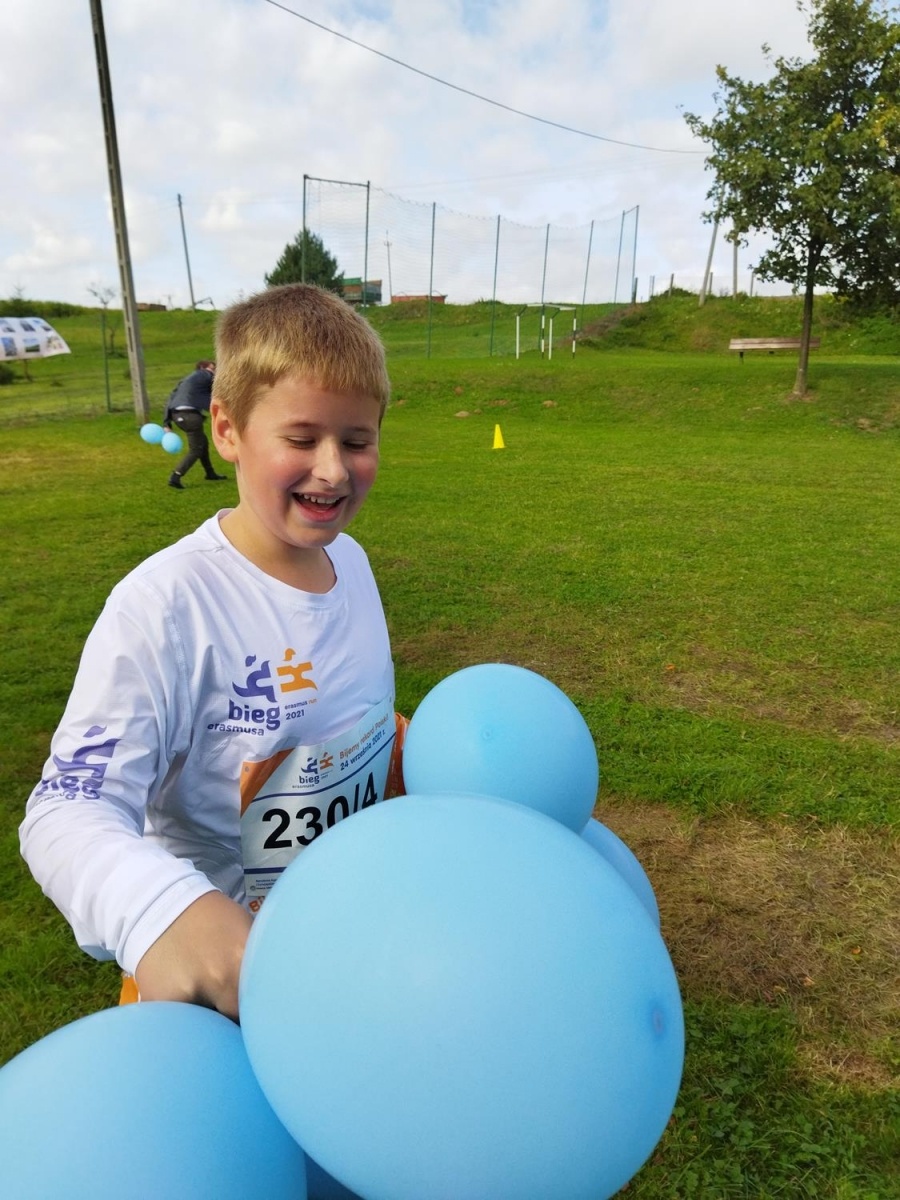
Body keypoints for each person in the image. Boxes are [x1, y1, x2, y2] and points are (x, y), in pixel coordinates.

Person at [20, 284, 405, 1022]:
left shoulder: (352, 564)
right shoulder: (164, 607)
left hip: (351, 946)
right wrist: (163, 910)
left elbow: (338, 727)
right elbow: (67, 807)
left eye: (357, 441)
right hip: (223, 995)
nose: (333, 469)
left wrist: (390, 747)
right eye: (302, 439)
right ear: (226, 429)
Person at [162, 359, 228, 488]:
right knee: (196, 449)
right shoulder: (205, 374)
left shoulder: (186, 381)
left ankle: (210, 473)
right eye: (212, 368)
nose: (214, 371)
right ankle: (176, 476)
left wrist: (166, 422)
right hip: (190, 417)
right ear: (203, 368)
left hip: (177, 415)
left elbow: (170, 399)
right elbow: (220, 384)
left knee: (203, 443)